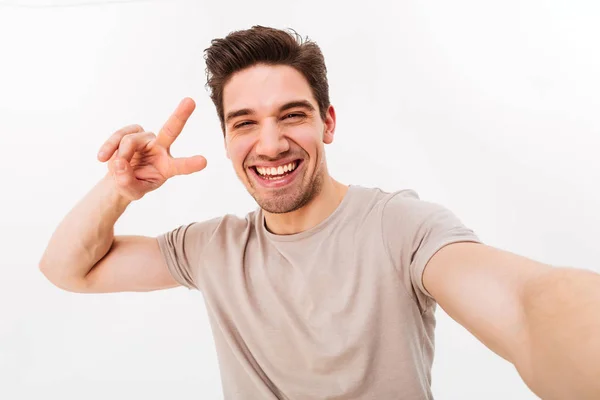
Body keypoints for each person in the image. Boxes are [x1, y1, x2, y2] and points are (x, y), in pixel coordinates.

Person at [39, 26, 600, 400]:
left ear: (327, 122)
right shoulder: (212, 248)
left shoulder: (400, 227)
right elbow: (67, 270)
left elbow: (528, 308)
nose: (271, 143)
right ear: (228, 138)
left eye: (292, 115)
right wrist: (120, 189)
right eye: (246, 123)